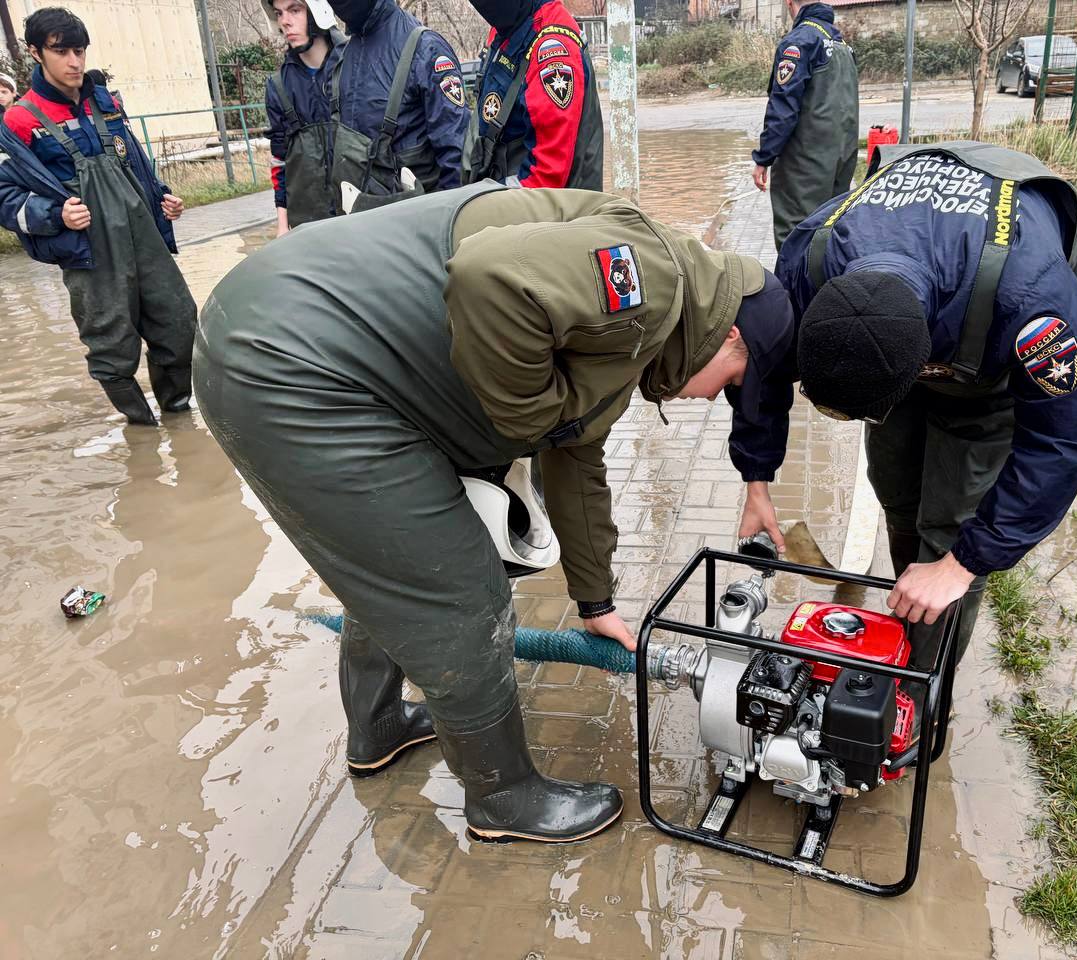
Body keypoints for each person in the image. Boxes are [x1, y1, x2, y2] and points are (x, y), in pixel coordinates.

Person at [193, 182, 794, 843]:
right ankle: (503, 797)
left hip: (283, 331)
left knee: (393, 564)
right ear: (727, 336)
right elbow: (490, 276)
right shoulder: (648, 282)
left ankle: (378, 728)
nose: (709, 400)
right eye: (729, 385)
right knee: (458, 590)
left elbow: (575, 453)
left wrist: (595, 599)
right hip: (298, 363)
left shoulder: (639, 328)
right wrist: (526, 420)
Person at [737, 140, 1077, 673]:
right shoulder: (812, 255)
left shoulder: (1032, 303)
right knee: (893, 482)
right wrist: (756, 479)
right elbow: (766, 357)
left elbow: (1067, 437)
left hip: (987, 346)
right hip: (916, 297)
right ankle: (907, 601)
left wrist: (960, 565)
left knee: (950, 524)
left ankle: (919, 686)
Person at [0, 8, 195, 426]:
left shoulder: (106, 103)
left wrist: (163, 197)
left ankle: (178, 420)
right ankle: (142, 430)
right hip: (90, 253)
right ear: (35, 52)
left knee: (180, 325)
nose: (74, 62)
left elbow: (135, 164)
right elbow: (4, 195)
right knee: (112, 349)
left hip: (145, 241)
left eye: (80, 51)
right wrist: (55, 214)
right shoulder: (19, 121)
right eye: (61, 51)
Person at [323, 0, 467, 205]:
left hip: (417, 215)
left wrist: (444, 219)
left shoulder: (425, 48)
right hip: (359, 216)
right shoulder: (343, 56)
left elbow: (457, 158)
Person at [752, 1, 859, 252]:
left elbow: (783, 108)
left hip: (804, 164)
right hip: (841, 160)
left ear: (790, 4)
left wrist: (764, 157)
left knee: (796, 235)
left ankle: (795, 280)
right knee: (830, 230)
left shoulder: (798, 42)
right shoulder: (841, 44)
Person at [464, 0, 603, 189]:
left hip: (538, 201)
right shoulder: (505, 29)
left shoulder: (553, 47)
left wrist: (480, 199)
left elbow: (547, 177)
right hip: (498, 185)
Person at [262, 0, 345, 234]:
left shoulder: (355, 66)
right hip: (309, 226)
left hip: (361, 216)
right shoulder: (278, 86)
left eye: (295, 10)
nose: (285, 21)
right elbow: (280, 160)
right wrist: (282, 226)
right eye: (279, 13)